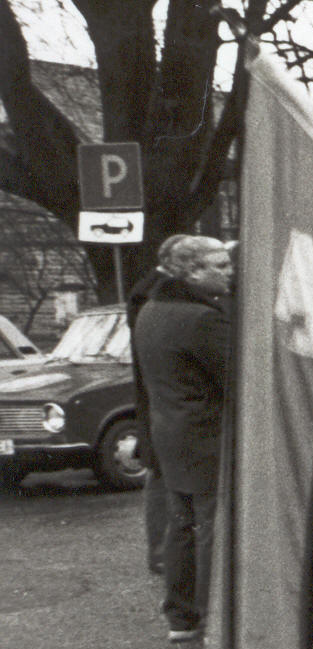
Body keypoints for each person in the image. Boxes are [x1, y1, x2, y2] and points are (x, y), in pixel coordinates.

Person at [132, 234, 233, 642]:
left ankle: (181, 616)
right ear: (193, 272)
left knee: (181, 525)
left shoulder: (152, 310)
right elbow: (237, 377)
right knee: (213, 526)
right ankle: (217, 620)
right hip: (208, 436)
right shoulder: (203, 319)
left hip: (170, 435)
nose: (230, 272)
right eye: (220, 266)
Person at [126, 239, 178, 576]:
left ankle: (160, 550)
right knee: (160, 477)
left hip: (153, 393)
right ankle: (160, 550)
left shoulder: (146, 288)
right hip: (159, 394)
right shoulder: (155, 292)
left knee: (159, 474)